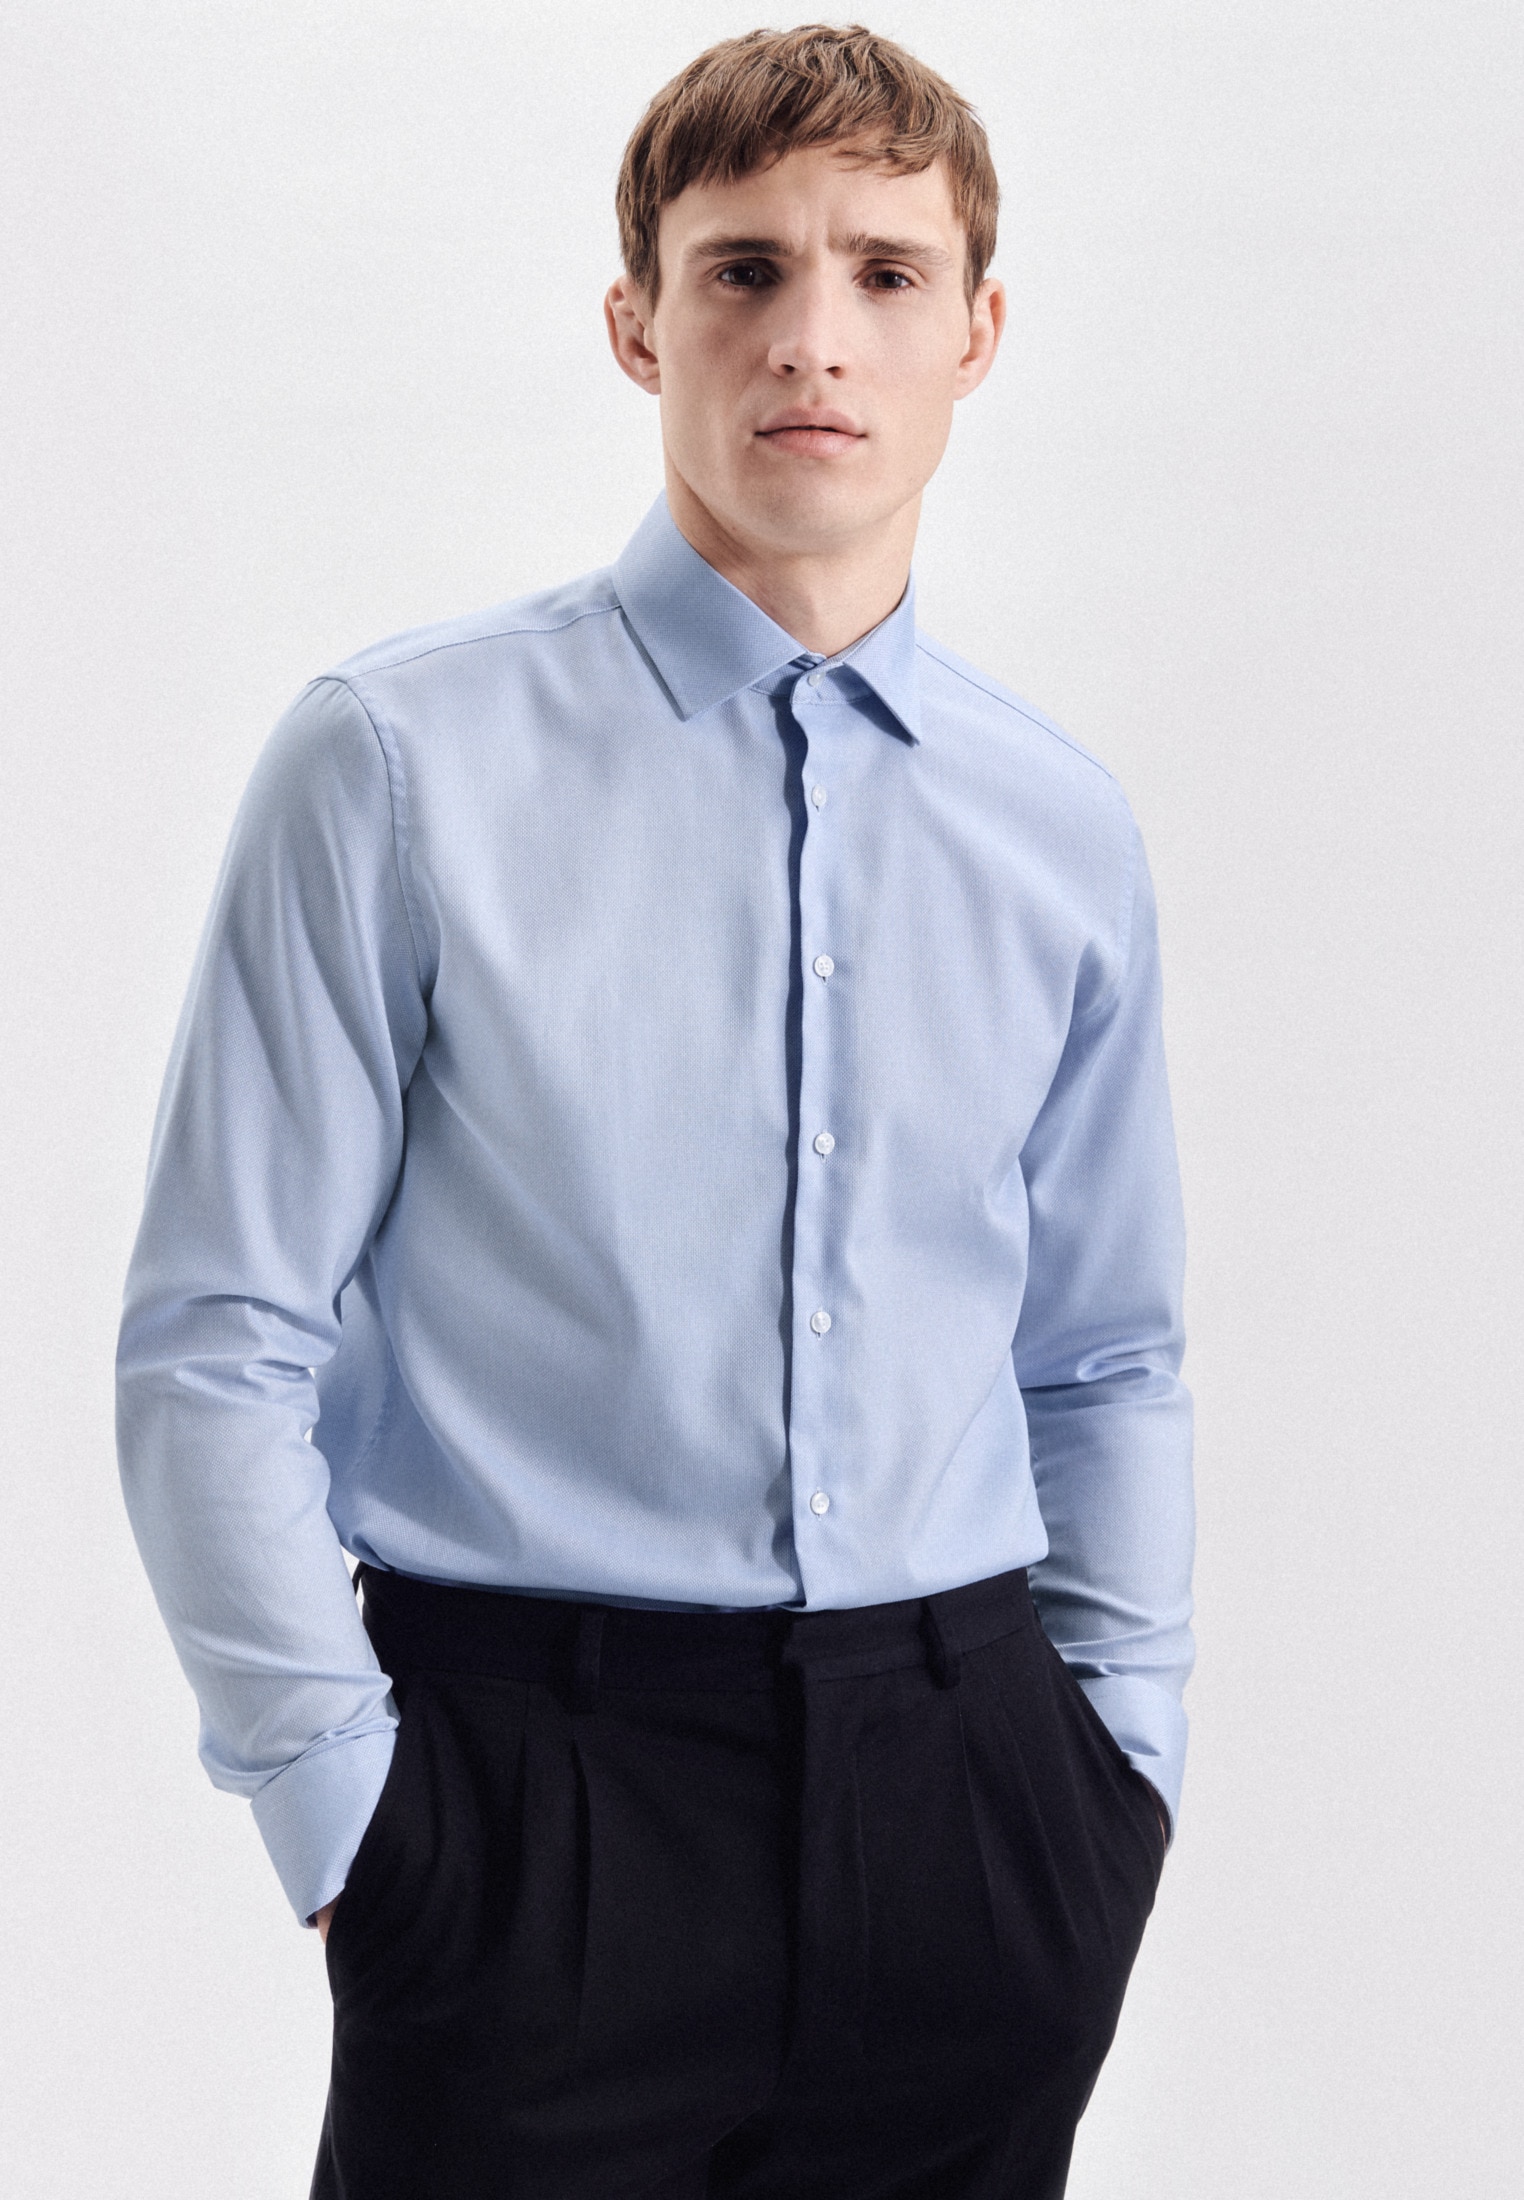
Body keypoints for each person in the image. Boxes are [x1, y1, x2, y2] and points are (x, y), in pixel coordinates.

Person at [117, 23, 1194, 2200]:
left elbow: (1104, 1354)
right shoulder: (394, 764)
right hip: (534, 1809)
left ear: (978, 334)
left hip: (971, 1805)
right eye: (744, 269)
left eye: (886, 273)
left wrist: (1115, 1774)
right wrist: (352, 1824)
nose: (815, 336)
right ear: (639, 322)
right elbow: (215, 1340)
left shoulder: (1060, 827)